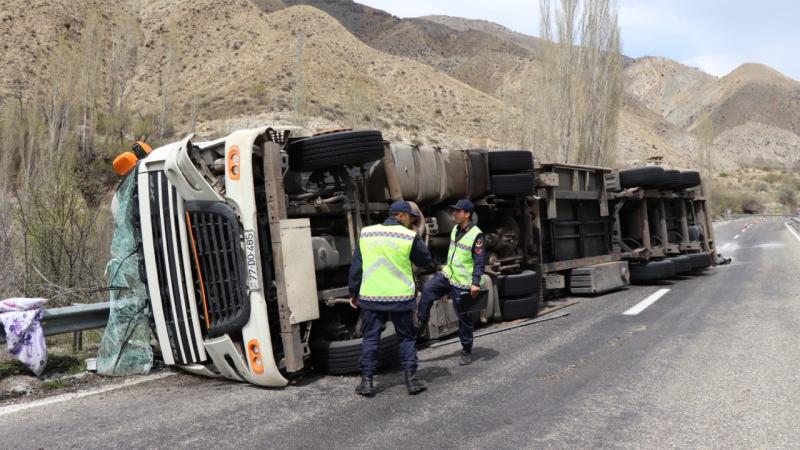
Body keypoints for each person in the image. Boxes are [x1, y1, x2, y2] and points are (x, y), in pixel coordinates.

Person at [348, 200, 434, 397]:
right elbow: (425, 260)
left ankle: (367, 382)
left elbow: (356, 268)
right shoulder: (409, 236)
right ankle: (412, 381)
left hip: (372, 297)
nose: (410, 222)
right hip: (400, 298)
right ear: (402, 216)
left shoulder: (367, 233)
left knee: (370, 338)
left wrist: (353, 293)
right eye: (409, 218)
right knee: (406, 337)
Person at [417, 199, 485, 366]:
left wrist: (475, 282)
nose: (454, 214)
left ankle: (466, 350)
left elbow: (479, 261)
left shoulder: (477, 235)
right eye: (453, 211)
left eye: (457, 211)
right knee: (427, 290)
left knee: (464, 318)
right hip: (448, 275)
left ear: (467, 214)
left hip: (463, 282)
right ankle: (420, 323)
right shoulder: (455, 229)